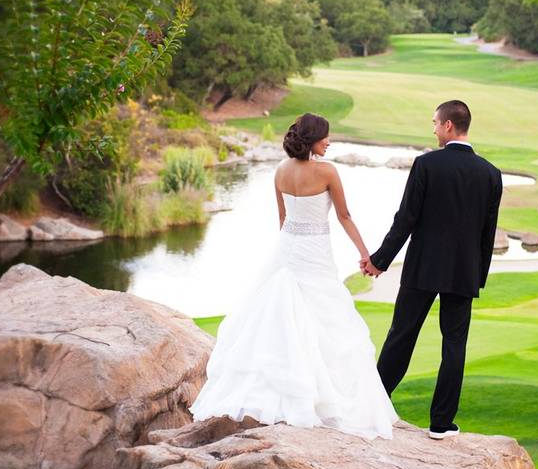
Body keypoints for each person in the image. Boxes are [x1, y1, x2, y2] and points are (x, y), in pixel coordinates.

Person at [190, 113, 398, 439]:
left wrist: (288, 252)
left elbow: (283, 219)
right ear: (314, 138)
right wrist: (365, 254)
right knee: (327, 319)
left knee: (278, 317)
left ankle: (283, 395)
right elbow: (344, 215)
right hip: (315, 252)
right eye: (326, 137)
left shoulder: (280, 171)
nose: (329, 141)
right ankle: (322, 402)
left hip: (287, 249)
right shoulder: (327, 171)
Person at [361, 100, 502, 439]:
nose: (434, 130)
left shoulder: (426, 164)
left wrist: (379, 259)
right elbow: (488, 234)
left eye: (436, 124)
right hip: (463, 273)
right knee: (454, 344)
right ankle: (441, 423)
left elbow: (406, 219)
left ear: (449, 126)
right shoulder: (491, 174)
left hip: (423, 267)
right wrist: (476, 277)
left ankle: (372, 408)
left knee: (401, 336)